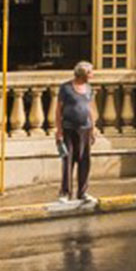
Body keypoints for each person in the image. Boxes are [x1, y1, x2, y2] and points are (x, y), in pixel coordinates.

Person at [56, 60, 96, 203]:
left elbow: (90, 108)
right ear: (82, 74)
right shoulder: (66, 88)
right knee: (68, 160)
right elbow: (58, 109)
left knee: (84, 161)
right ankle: (65, 192)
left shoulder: (89, 89)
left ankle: (83, 192)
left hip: (84, 128)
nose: (92, 75)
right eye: (90, 72)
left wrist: (92, 128)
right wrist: (59, 130)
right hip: (68, 128)